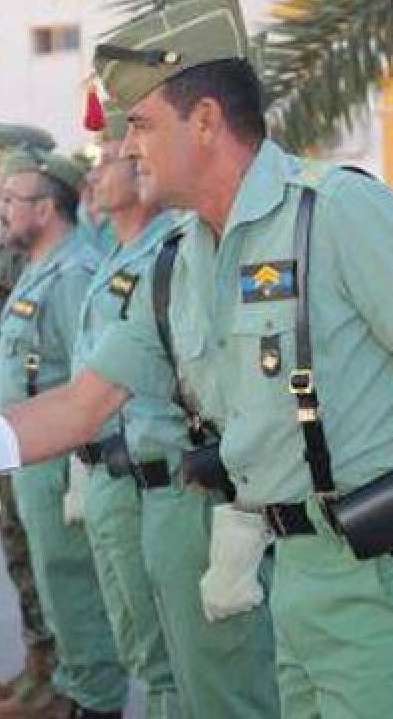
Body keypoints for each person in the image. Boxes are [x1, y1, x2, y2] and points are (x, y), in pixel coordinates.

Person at [0, 0, 393, 717]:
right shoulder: (181, 262)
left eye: (144, 125)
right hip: (299, 579)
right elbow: (83, 404)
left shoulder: (334, 211)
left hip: (389, 578)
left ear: (208, 122)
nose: (127, 147)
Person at [73, 105, 278, 718]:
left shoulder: (182, 254)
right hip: (142, 482)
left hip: (198, 488)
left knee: (225, 684)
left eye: (117, 154)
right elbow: (85, 395)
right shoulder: (138, 259)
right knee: (170, 668)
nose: (101, 172)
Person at [0, 146, 125, 718]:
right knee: (55, 588)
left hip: (60, 466)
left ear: (45, 209)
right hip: (30, 460)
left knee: (74, 592)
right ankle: (69, 693)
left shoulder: (74, 274)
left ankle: (93, 700)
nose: (2, 211)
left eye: (12, 200)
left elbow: (94, 381)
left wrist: (78, 474)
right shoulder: (42, 267)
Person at [0, 123, 63, 716]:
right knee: (18, 547)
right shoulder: (3, 237)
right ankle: (39, 662)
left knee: (40, 554)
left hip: (23, 426)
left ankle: (56, 674)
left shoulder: (32, 240)